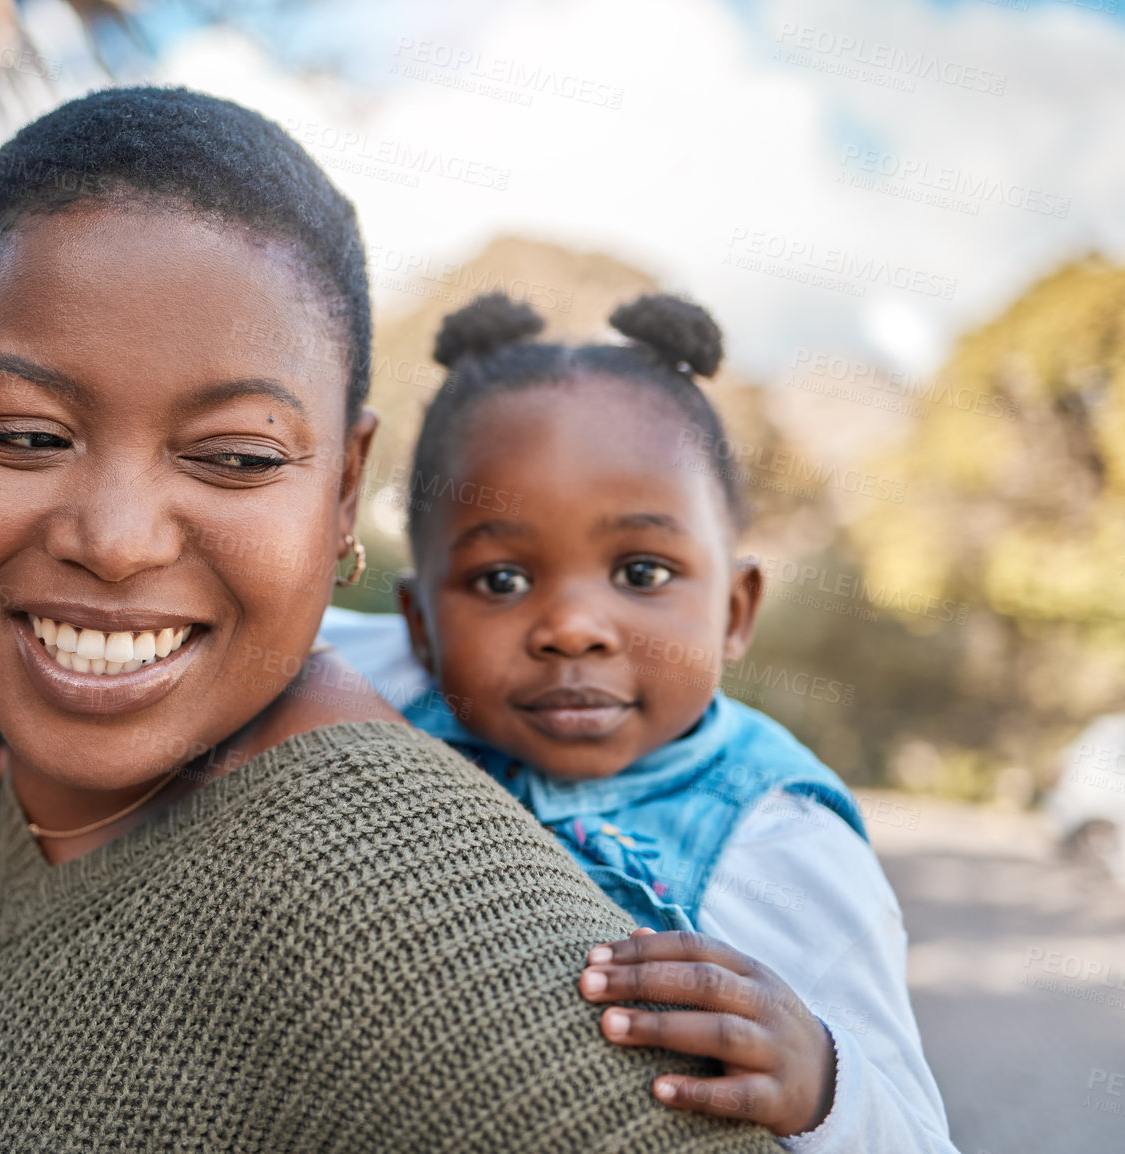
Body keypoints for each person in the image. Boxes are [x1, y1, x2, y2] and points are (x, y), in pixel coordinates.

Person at [0, 88, 782, 1153]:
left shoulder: (392, 905)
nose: (115, 540)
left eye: (237, 456)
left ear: (345, 490)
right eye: (25, 436)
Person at [319, 293, 959, 1150]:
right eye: (501, 581)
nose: (572, 627)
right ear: (421, 626)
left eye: (643, 571)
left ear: (735, 610)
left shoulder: (781, 843)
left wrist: (822, 1083)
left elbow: (917, 1136)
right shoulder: (378, 684)